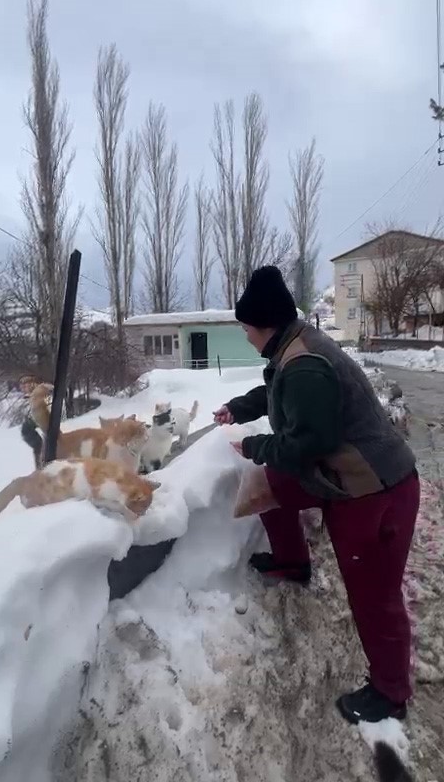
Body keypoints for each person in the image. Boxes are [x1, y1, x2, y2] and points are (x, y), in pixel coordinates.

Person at [213, 266, 419, 725]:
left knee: (374, 595)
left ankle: (390, 692)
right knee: (270, 485)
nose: (245, 336)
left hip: (373, 491)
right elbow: (280, 393)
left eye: (246, 328)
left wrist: (254, 444)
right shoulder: (293, 347)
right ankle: (292, 561)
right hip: (346, 478)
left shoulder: (303, 363)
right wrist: (239, 409)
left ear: (264, 324)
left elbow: (309, 443)